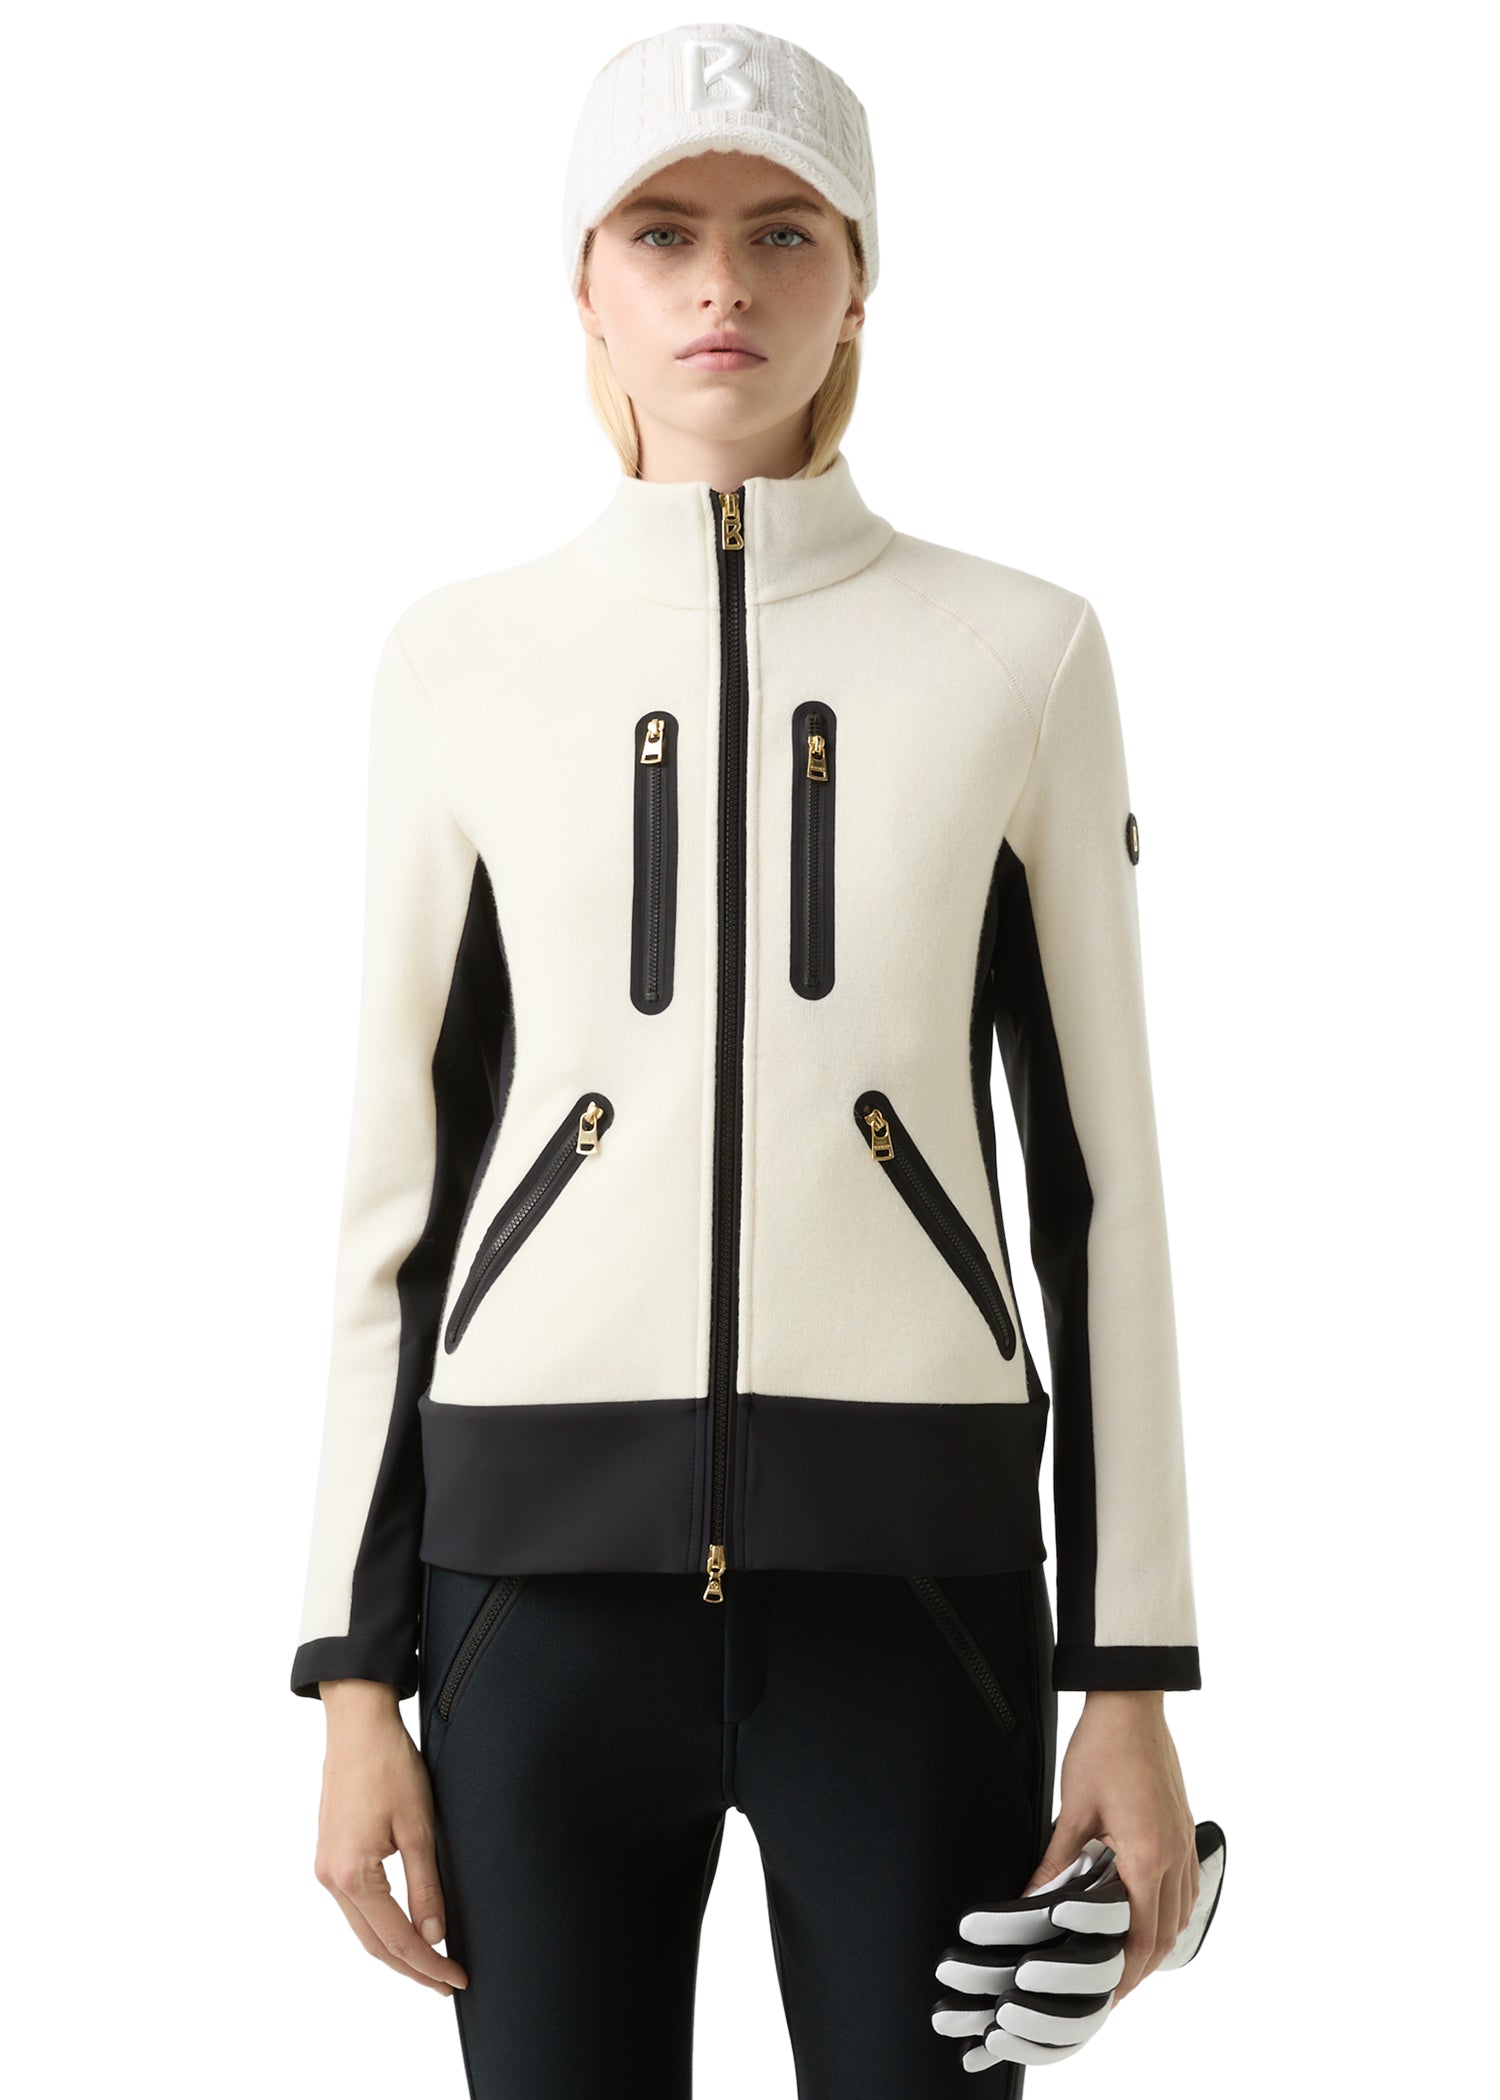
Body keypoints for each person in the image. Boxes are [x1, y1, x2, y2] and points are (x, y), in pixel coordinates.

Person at [289, 23, 1204, 2098]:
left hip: (923, 1600)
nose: (724, 283)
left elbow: (1103, 1185)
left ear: (860, 282)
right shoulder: (457, 661)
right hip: (524, 1610)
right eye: (665, 232)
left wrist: (1130, 1675)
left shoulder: (1024, 652)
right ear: (586, 285)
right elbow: (395, 1183)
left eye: (785, 232)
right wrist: (352, 1677)